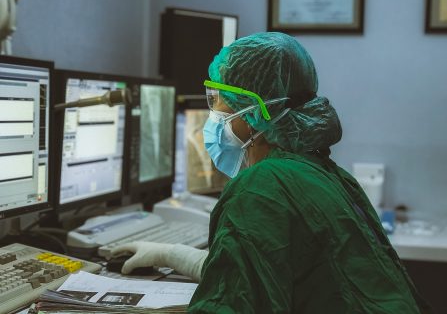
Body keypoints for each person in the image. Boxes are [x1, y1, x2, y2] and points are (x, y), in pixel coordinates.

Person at [112, 32, 431, 313]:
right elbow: (266, 272)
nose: (213, 113)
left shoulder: (263, 187)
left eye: (218, 99)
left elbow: (235, 300)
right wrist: (170, 253)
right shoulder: (326, 174)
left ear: (251, 114)